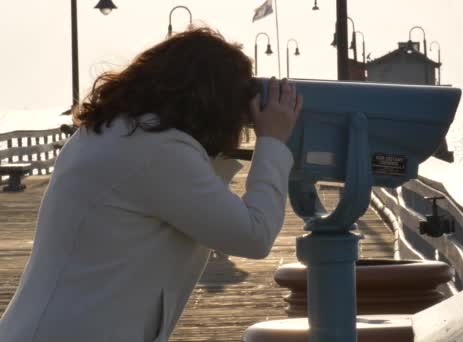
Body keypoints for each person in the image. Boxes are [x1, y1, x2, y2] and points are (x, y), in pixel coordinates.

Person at [0, 27, 302, 342]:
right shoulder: (158, 151)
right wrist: (272, 141)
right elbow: (253, 235)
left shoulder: (113, 132)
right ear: (212, 102)